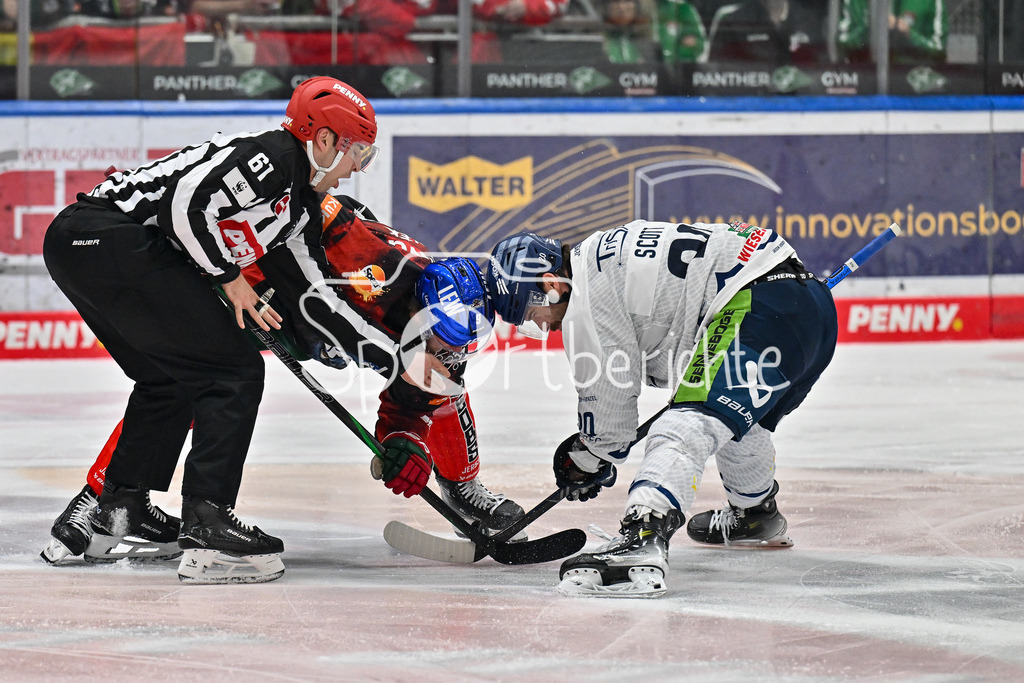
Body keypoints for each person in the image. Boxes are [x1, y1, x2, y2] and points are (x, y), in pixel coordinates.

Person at [41, 192, 524, 568]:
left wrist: (404, 443)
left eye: (460, 346)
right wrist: (230, 276)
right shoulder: (363, 267)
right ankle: (102, 498)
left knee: (445, 389)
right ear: (420, 310)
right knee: (190, 378)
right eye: (443, 341)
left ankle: (463, 488)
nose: (450, 354)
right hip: (255, 292)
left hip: (299, 320)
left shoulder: (432, 328)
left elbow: (406, 409)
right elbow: (311, 215)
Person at [41, 76, 389, 584]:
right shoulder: (272, 157)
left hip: (78, 246)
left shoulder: (297, 210)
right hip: (104, 235)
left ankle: (119, 506)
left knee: (171, 378)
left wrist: (395, 359)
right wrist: (231, 281)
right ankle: (209, 522)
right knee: (234, 371)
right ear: (323, 140)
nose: (358, 166)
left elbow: (321, 300)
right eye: (357, 150)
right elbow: (183, 206)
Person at [485, 221, 837, 597]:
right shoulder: (604, 253)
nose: (538, 324)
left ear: (551, 284)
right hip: (810, 309)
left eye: (527, 312)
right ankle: (754, 513)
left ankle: (644, 533)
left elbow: (611, 422)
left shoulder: (587, 294)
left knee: (686, 424)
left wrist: (585, 457)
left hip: (759, 308)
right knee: (735, 422)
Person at [706, 0, 826, 66]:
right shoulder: (734, 22)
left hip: (804, 104)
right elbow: (717, 76)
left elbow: (821, 70)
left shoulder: (810, 21)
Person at [837, 0, 948, 65]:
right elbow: (840, 46)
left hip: (913, 89)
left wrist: (908, 33)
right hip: (863, 83)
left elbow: (939, 51)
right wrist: (872, 28)